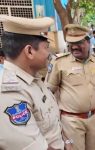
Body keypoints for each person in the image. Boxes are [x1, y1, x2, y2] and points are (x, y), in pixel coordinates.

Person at [0, 15, 64, 150]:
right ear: (29, 51)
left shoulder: (32, 79)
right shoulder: (9, 92)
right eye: (46, 47)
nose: (50, 54)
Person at [45, 24, 95, 150]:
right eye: (70, 43)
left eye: (79, 42)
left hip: (94, 117)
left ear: (88, 42)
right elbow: (48, 92)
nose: (74, 46)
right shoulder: (59, 62)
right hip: (70, 121)